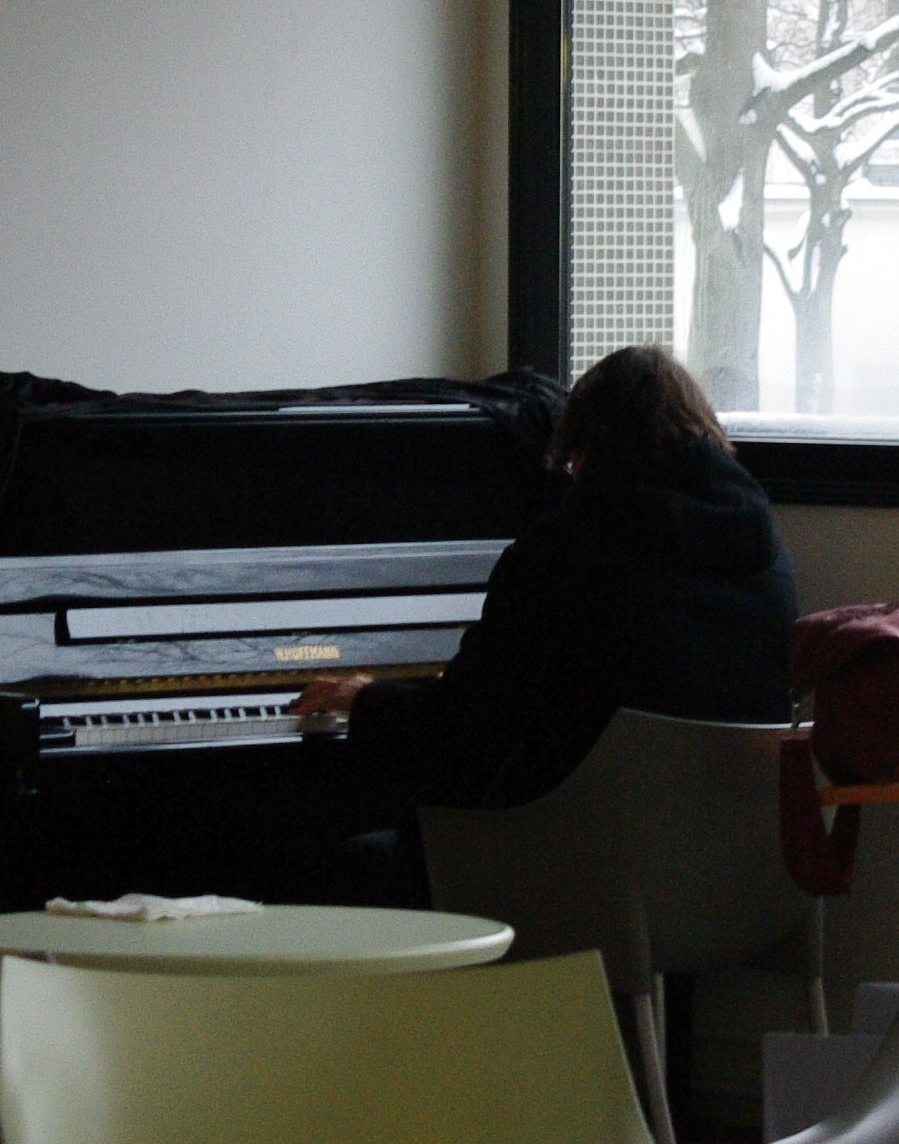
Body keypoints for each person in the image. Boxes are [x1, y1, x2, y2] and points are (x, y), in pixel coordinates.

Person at [293, 344, 798, 814]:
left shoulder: (563, 552)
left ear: (589, 448)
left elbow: (463, 727)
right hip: (722, 847)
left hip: (568, 841)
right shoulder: (767, 557)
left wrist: (365, 697)